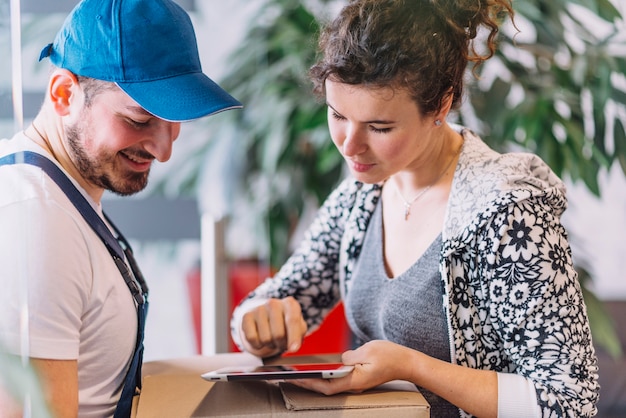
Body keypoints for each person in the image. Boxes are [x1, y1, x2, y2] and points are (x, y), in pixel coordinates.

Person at [230, 0, 600, 417]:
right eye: (338, 116)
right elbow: (280, 301)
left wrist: (412, 366)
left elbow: (567, 402)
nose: (349, 145)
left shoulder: (507, 213)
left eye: (379, 127)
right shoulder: (362, 194)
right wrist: (256, 324)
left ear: (440, 105)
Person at [0, 0, 241, 416]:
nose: (164, 151)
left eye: (173, 120)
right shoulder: (35, 220)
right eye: (140, 119)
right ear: (64, 95)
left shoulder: (61, 198)